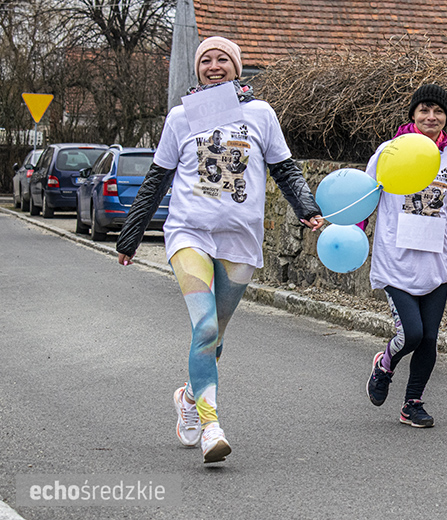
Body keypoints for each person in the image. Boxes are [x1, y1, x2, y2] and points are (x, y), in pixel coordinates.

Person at [115, 36, 323, 462]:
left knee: (215, 337)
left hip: (239, 239)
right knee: (206, 327)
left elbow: (284, 169)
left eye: (223, 59)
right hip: (189, 233)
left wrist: (307, 207)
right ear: (197, 69)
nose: (214, 65)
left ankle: (189, 396)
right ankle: (211, 427)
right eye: (206, 60)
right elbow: (157, 179)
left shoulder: (260, 113)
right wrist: (130, 236)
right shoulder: (181, 117)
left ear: (237, 68)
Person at [365, 84, 447, 428]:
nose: (431, 117)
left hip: (435, 264)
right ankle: (385, 365)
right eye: (424, 110)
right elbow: (363, 199)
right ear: (413, 115)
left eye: (438, 111)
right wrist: (351, 236)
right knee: (411, 334)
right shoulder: (389, 152)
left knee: (429, 339)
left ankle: (412, 403)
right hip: (395, 261)